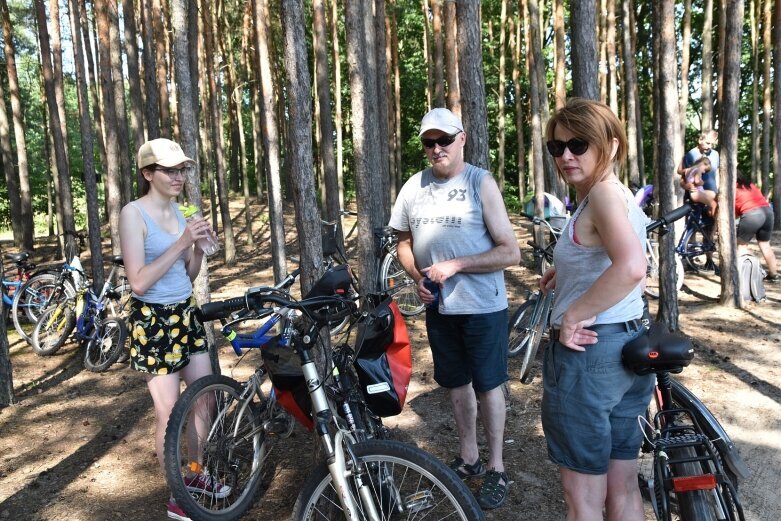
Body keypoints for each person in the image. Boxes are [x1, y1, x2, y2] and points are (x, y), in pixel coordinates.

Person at [388, 107, 520, 510]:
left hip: (483, 307)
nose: (437, 149)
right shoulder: (414, 187)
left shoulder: (481, 183)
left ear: (462, 139)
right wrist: (417, 278)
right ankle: (470, 459)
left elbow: (510, 252)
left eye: (444, 140)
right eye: (430, 142)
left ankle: (497, 468)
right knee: (457, 384)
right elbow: (404, 243)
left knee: (488, 384)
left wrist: (456, 265)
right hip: (440, 310)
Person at [540, 98, 650, 521]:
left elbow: (632, 266)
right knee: (621, 488)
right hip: (628, 348)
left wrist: (572, 314)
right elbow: (612, 259)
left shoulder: (601, 195)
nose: (566, 155)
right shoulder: (614, 195)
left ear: (612, 146)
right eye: (557, 147)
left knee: (582, 496)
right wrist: (564, 273)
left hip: (591, 355)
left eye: (579, 144)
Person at [119, 138, 224, 521]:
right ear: (148, 174)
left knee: (205, 398)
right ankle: (178, 496)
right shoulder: (134, 214)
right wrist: (182, 240)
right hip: (153, 321)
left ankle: (196, 476)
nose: (179, 176)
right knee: (168, 412)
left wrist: (196, 247)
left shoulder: (181, 212)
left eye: (182, 170)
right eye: (170, 170)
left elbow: (189, 275)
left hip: (186, 314)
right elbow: (139, 282)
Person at [735, 175, 778, 282]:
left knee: (741, 246)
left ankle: (740, 277)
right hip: (767, 212)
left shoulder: (731, 188)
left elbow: (733, 213)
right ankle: (774, 275)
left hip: (752, 214)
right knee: (765, 245)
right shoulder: (750, 185)